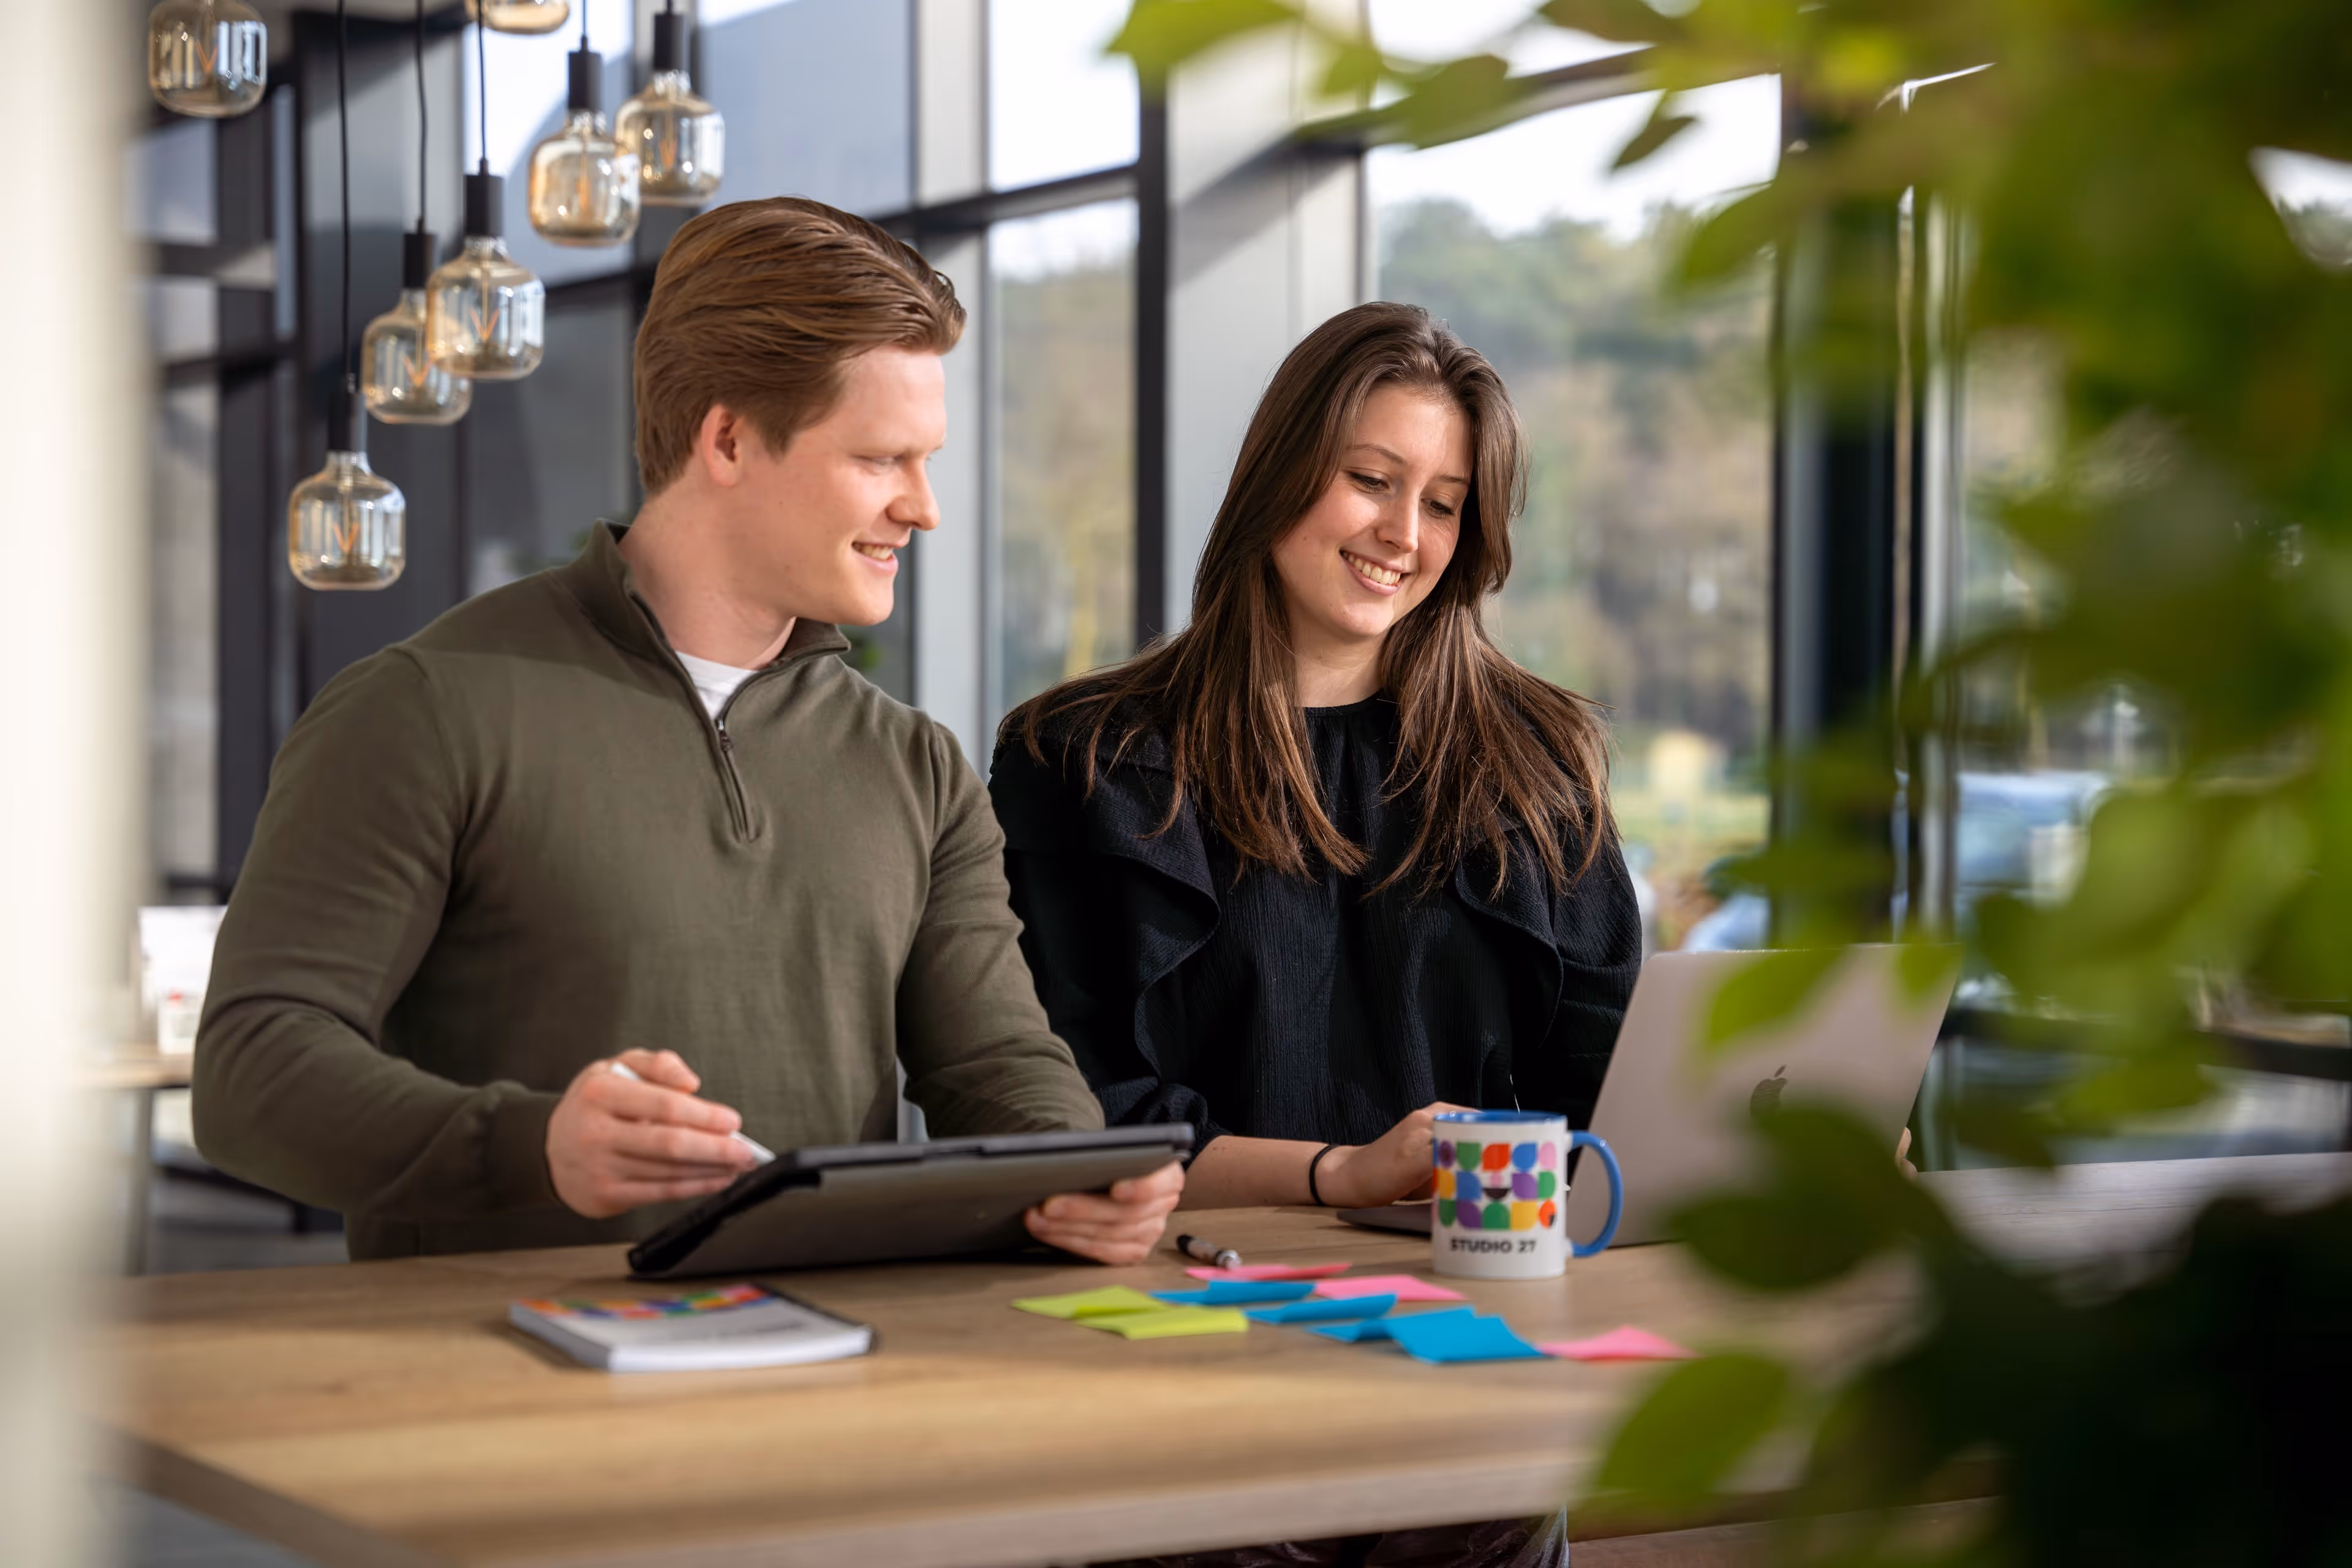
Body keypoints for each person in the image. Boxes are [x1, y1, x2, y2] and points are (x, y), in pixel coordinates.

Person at [194, 197, 1180, 1264]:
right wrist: (533, 1146)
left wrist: (1077, 1172)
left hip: (832, 1374)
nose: (923, 507)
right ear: (728, 439)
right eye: (881, 459)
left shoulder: (916, 764)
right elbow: (255, 1069)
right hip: (494, 1386)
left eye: (926, 459)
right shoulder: (426, 708)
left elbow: (995, 1063)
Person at [990, 301, 1642, 1218]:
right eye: (1373, 480)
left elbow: (1604, 1091)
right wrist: (1335, 1174)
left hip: (1487, 1273)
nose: (1405, 535)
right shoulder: (1082, 759)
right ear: (1281, 470)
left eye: (1445, 505)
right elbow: (1073, 1111)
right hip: (1190, 1285)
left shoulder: (1539, 762)